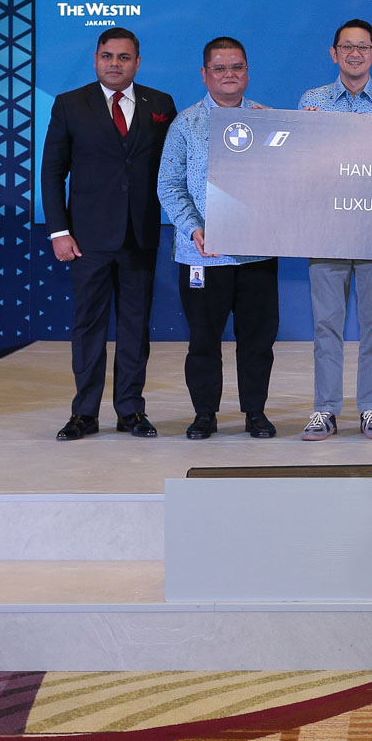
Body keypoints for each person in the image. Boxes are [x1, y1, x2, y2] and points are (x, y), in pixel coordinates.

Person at [40, 27, 176, 441]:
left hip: (140, 236)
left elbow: (177, 163)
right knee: (89, 327)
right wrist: (59, 231)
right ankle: (84, 413)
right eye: (107, 56)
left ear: (138, 62)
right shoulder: (69, 104)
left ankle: (131, 411)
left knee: (135, 327)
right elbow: (52, 172)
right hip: (87, 239)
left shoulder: (161, 104)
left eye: (123, 57)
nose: (114, 64)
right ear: (96, 59)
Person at [157, 37, 279, 440]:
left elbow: (287, 180)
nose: (229, 75)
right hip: (203, 256)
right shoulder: (185, 124)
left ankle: (255, 413)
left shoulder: (267, 121)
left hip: (256, 254)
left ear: (248, 72)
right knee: (203, 341)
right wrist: (194, 228)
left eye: (237, 67)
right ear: (204, 74)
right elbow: (169, 185)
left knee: (257, 341)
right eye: (220, 68)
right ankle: (204, 414)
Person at [298, 20, 372, 441]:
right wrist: (303, 134)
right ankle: (325, 410)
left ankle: (371, 409)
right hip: (325, 231)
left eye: (363, 47)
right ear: (334, 53)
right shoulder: (311, 102)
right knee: (326, 326)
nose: (354, 54)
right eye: (346, 46)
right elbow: (300, 168)